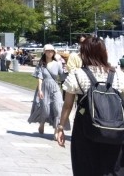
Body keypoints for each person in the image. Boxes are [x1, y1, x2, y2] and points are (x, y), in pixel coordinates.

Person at [56, 36, 124, 175]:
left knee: (84, 167)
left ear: (84, 53)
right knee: (111, 167)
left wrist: (61, 127)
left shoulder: (77, 74)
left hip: (85, 126)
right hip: (115, 128)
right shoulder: (117, 74)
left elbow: (68, 105)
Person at [28, 44, 68, 138]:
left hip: (55, 87)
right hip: (44, 87)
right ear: (44, 52)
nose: (50, 52)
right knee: (45, 109)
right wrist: (40, 90)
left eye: (51, 51)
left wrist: (67, 70)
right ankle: (42, 123)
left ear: (54, 52)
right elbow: (40, 77)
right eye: (48, 51)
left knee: (58, 108)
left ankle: (56, 130)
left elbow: (62, 76)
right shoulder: (41, 64)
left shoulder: (57, 63)